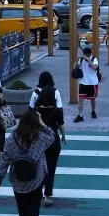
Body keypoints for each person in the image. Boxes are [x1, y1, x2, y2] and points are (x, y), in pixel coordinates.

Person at [0, 109, 56, 216]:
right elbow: (52, 135)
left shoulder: (12, 138)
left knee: (21, 201)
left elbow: (5, 158)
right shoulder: (40, 137)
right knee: (34, 202)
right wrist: (41, 122)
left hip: (17, 177)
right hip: (36, 177)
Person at [29, 72, 66, 207]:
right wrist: (64, 136)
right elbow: (61, 119)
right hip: (52, 138)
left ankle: (35, 192)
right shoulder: (56, 93)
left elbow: (29, 113)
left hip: (37, 138)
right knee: (51, 168)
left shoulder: (34, 95)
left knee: (37, 167)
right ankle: (47, 197)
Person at [75, 46, 100, 122]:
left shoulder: (94, 59)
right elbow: (76, 67)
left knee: (93, 98)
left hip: (92, 83)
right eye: (86, 55)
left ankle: (93, 111)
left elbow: (95, 67)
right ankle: (80, 115)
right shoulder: (81, 60)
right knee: (81, 99)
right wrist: (77, 61)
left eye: (89, 55)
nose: (87, 56)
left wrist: (89, 60)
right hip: (83, 82)